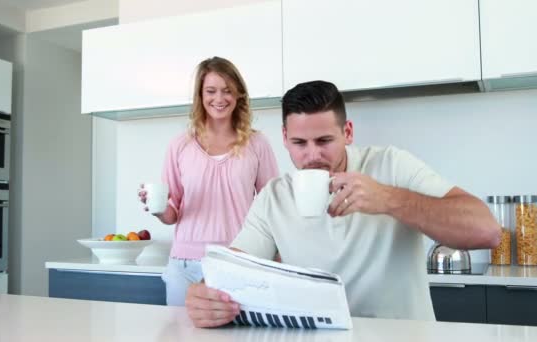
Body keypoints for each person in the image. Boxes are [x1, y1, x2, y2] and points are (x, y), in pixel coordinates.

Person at [185, 80, 501, 327]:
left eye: (324, 141)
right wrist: (203, 294)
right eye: (299, 143)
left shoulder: (391, 165)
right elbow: (232, 270)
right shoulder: (274, 197)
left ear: (347, 132)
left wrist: (388, 198)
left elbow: (486, 231)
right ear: (284, 138)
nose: (312, 156)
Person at [138, 56, 279, 306]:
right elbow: (173, 214)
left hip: (237, 261)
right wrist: (157, 209)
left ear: (238, 96)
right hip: (184, 266)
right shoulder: (180, 145)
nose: (219, 98)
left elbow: (273, 208)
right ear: (200, 96)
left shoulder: (257, 144)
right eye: (211, 91)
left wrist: (274, 261)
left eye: (227, 91)